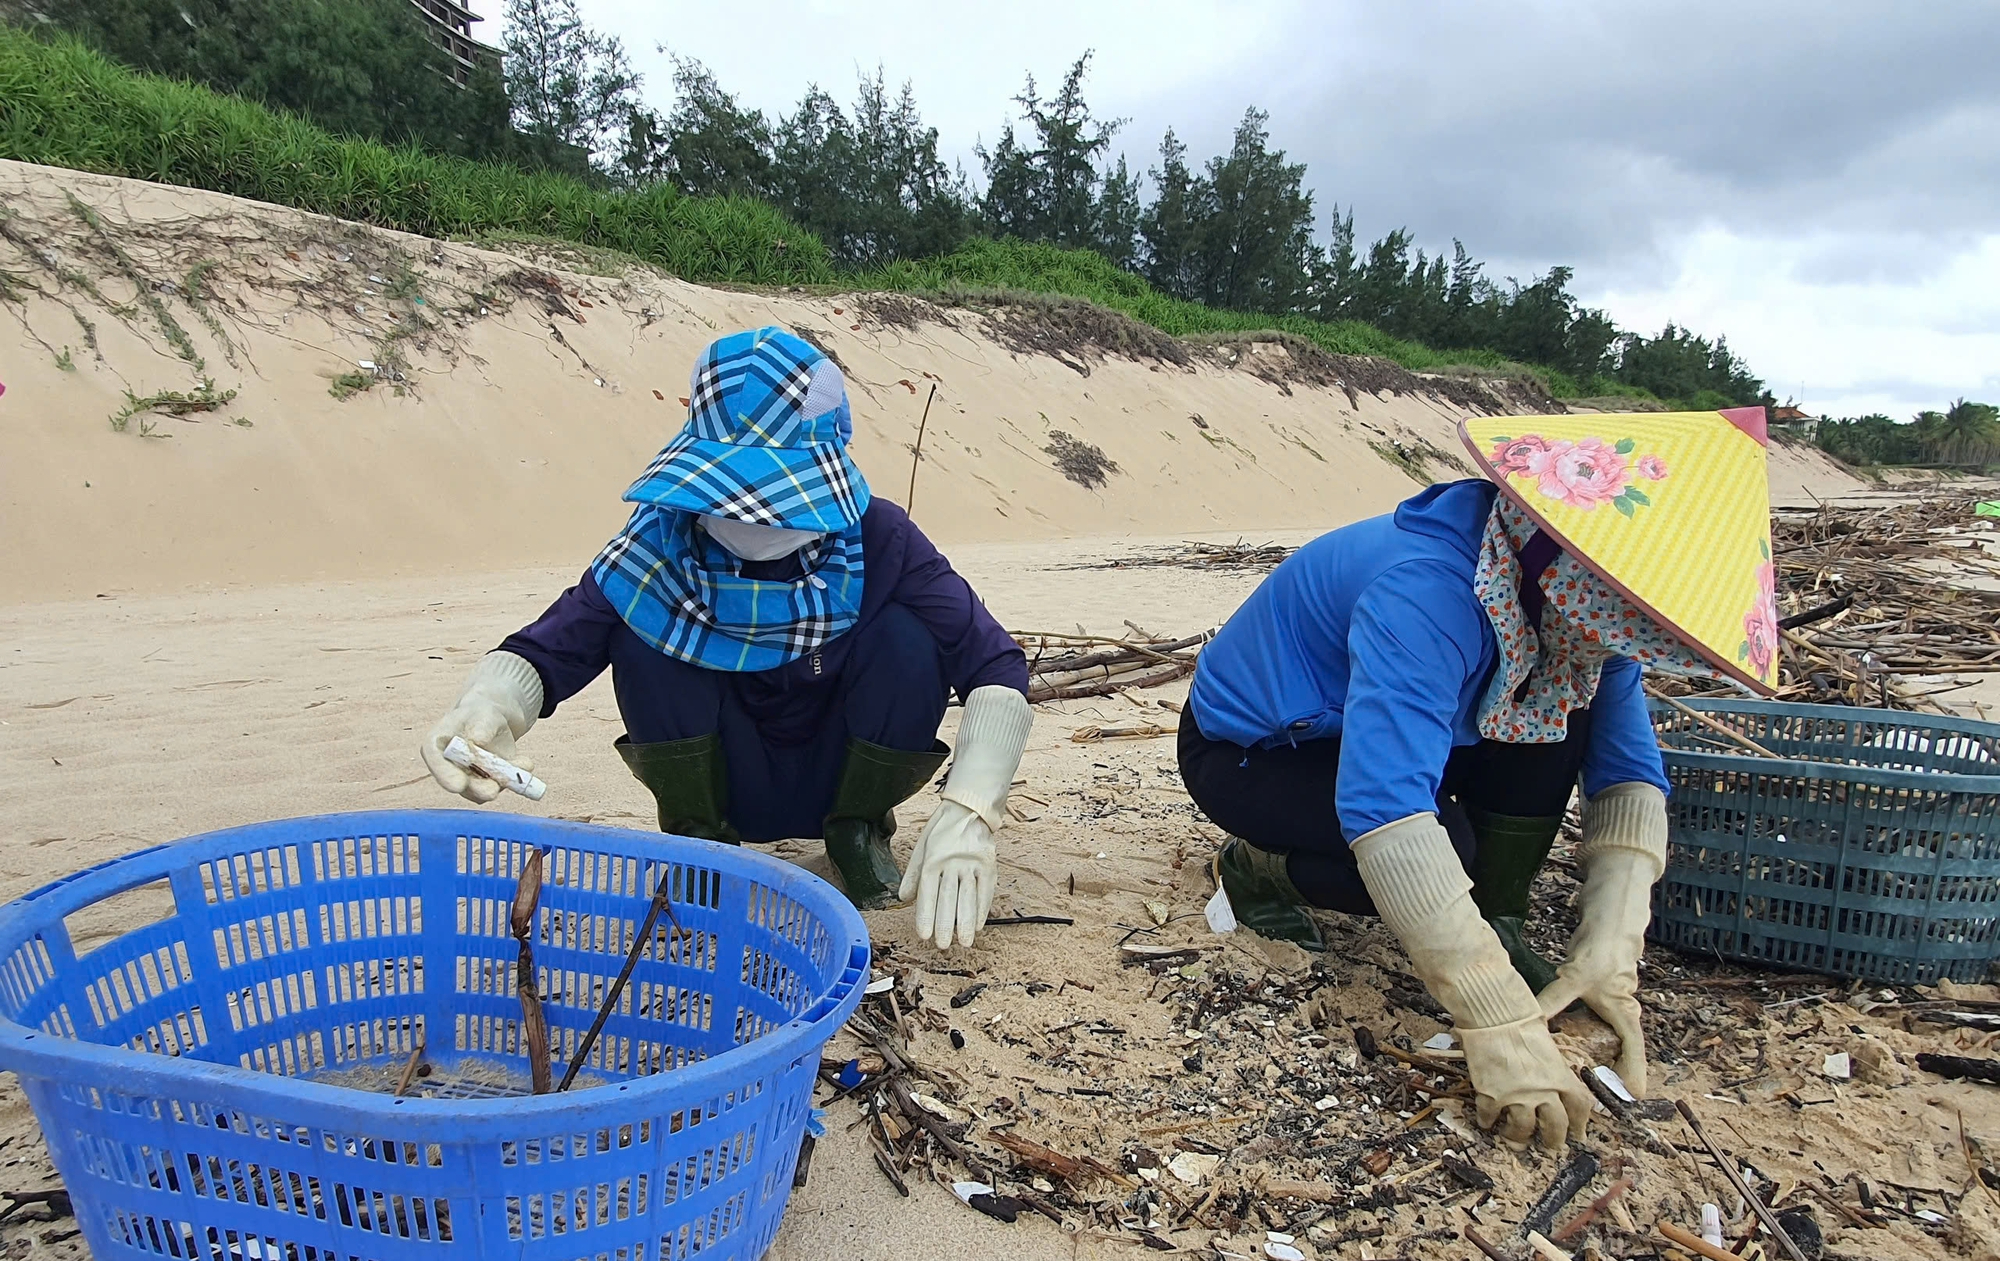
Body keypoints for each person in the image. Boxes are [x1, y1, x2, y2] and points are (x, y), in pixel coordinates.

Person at [1180, 409, 1777, 1148]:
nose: (1614, 644)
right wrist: (1490, 1010)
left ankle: (1499, 923)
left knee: (1572, 720)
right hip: (1261, 749)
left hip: (1409, 730)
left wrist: (1611, 950)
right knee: (1445, 850)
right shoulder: (1426, 588)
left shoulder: (1574, 605)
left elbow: (1627, 774)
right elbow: (1383, 807)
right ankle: (1260, 870)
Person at [421, 327, 1033, 951]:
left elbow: (995, 663)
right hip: (720, 772)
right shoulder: (654, 548)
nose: (752, 516)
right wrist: (489, 705)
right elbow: (552, 646)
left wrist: (973, 807)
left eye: (773, 497)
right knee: (640, 633)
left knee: (910, 637)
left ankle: (857, 834)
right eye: (733, 493)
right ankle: (701, 845)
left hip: (843, 766)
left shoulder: (881, 538)